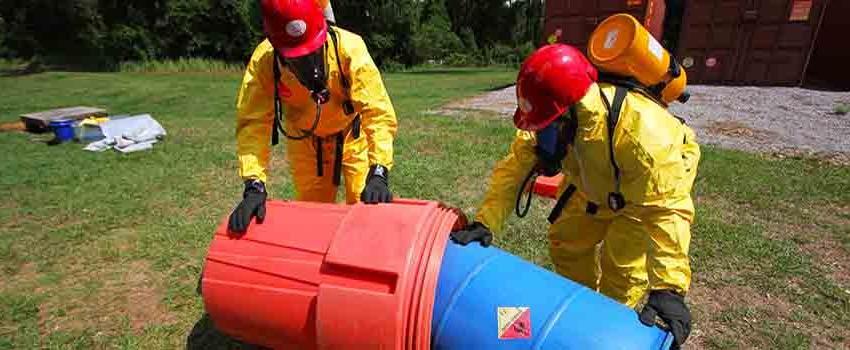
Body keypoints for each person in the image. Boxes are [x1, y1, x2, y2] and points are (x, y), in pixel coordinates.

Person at [450, 44, 700, 349]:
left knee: (621, 271)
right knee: (565, 241)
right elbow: (513, 171)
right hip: (592, 184)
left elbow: (666, 209)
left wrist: (669, 289)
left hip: (641, 194)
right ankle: (577, 310)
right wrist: (484, 222)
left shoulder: (643, 137)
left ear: (573, 112)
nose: (541, 138)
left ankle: (604, 324)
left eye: (547, 130)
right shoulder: (550, 117)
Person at [228, 0, 398, 233]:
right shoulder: (264, 61)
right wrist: (254, 184)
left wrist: (379, 169)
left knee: (365, 208)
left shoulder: (349, 48)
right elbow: (253, 123)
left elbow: (377, 112)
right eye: (296, 59)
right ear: (276, 47)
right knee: (313, 215)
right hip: (305, 141)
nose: (308, 66)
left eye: (313, 52)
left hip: (351, 134)